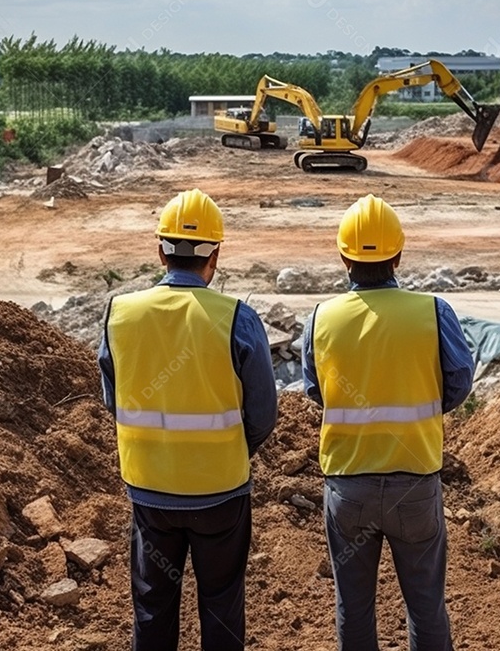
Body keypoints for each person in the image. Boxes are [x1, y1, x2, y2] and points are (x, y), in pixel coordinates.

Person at [98, 188, 278, 651]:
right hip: (220, 494)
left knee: (154, 605)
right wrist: (230, 450)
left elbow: (115, 402)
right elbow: (262, 415)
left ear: (160, 250)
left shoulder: (121, 314)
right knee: (221, 604)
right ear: (214, 255)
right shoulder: (238, 318)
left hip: (151, 492)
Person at [301, 194, 475, 651]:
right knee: (425, 606)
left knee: (353, 607)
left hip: (348, 484)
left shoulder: (321, 318)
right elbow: (458, 384)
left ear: (343, 256)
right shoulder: (433, 312)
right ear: (399, 254)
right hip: (415, 482)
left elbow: (316, 390)